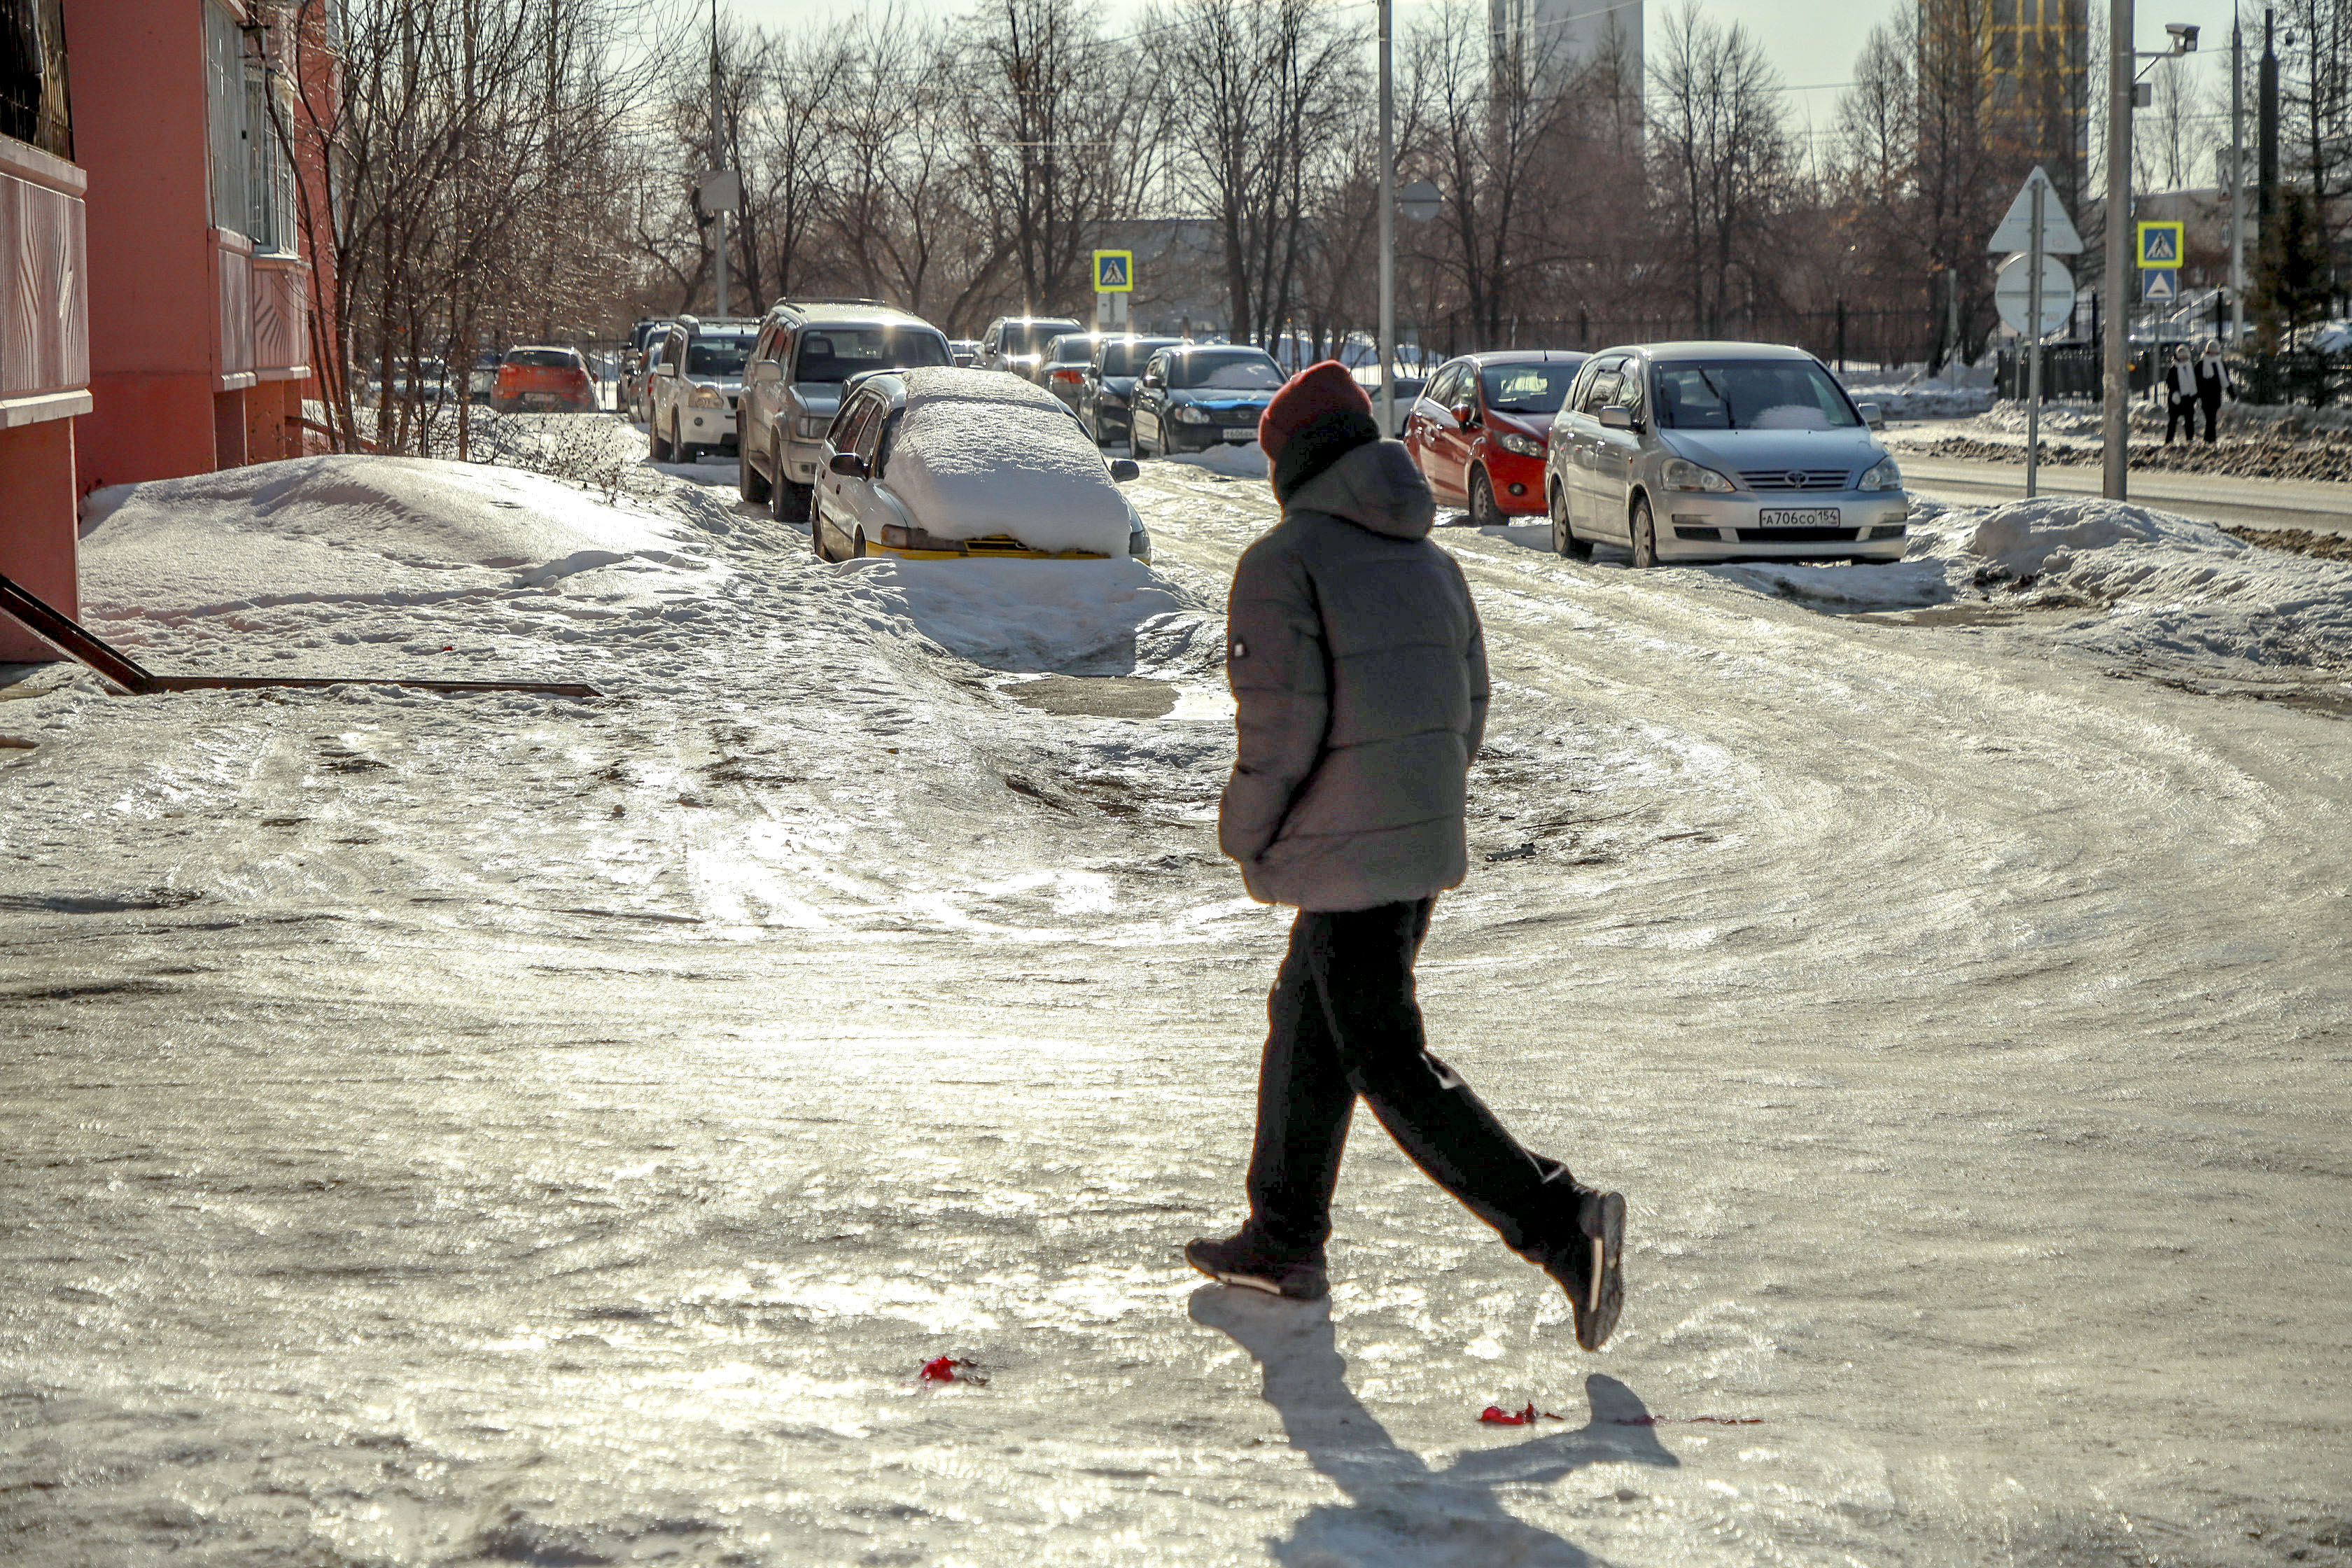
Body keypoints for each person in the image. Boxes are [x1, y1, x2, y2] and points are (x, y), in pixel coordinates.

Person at [1184, 361, 1627, 1353]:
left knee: (1387, 1061)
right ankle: (1284, 1236)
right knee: (1308, 1016)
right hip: (1414, 846)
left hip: (1344, 855)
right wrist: (1408, 807)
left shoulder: (1283, 562)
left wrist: (1244, 832)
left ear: (1289, 464)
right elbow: (1469, 709)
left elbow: (1279, 738)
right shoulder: (1432, 561)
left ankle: (1563, 1224)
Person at [2196, 340, 2232, 444]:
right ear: (2207, 352)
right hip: (2205, 395)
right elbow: (2196, 380)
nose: (2212, 353)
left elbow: (2226, 379)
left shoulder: (2220, 364)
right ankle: (2210, 439)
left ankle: (2209, 439)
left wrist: (2231, 393)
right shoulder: (2201, 364)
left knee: (2211, 418)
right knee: (2210, 417)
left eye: (2214, 351)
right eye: (2210, 351)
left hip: (2216, 395)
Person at [2163, 344, 2198, 444]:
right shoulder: (2174, 369)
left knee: (2189, 421)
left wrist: (2194, 396)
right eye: (2181, 356)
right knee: (2173, 422)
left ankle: (2190, 440)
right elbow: (2170, 382)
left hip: (2188, 399)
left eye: (2185, 356)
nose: (2183, 358)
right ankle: (2169, 441)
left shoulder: (2190, 368)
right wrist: (2174, 393)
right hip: (2176, 400)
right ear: (2177, 357)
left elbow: (2194, 383)